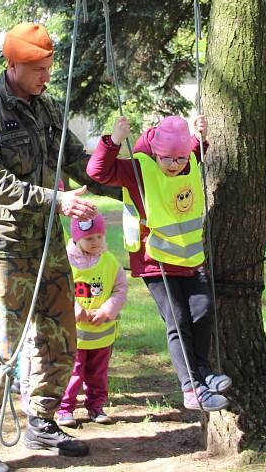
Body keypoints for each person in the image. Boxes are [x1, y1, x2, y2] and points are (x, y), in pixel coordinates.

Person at [0, 22, 120, 472]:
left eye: (49, 67)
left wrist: (126, 180)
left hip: (47, 245)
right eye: (38, 69)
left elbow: (75, 161)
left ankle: (43, 420)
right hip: (5, 249)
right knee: (1, 343)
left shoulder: (47, 108)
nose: (46, 76)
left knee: (60, 334)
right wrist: (56, 199)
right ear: (12, 65)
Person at [87, 115, 231, 412]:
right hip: (155, 261)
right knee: (177, 320)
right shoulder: (139, 169)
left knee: (203, 310)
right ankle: (191, 388)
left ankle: (203, 371)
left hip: (188, 258)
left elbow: (195, 150)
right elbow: (98, 171)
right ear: (156, 153)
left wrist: (199, 135)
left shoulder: (187, 160)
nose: (175, 164)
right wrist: (113, 141)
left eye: (181, 158)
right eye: (168, 159)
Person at [56, 214, 127, 427]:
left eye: (99, 237)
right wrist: (75, 308)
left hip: (102, 333)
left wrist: (108, 309)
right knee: (72, 371)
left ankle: (96, 405)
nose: (95, 242)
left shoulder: (110, 261)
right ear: (77, 239)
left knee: (98, 372)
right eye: (89, 238)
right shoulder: (66, 262)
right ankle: (65, 408)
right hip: (74, 333)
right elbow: (61, 289)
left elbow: (120, 288)